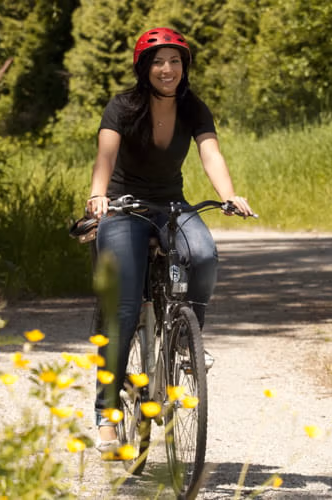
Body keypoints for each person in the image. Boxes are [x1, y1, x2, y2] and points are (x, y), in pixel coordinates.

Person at [86, 27, 254, 454]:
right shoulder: (123, 106)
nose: (168, 69)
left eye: (175, 61)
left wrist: (228, 194)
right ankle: (107, 412)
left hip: (171, 205)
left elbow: (210, 152)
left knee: (204, 253)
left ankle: (184, 342)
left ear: (185, 67)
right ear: (145, 67)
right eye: (159, 62)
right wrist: (98, 195)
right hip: (123, 206)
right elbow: (105, 154)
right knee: (124, 310)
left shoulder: (193, 107)